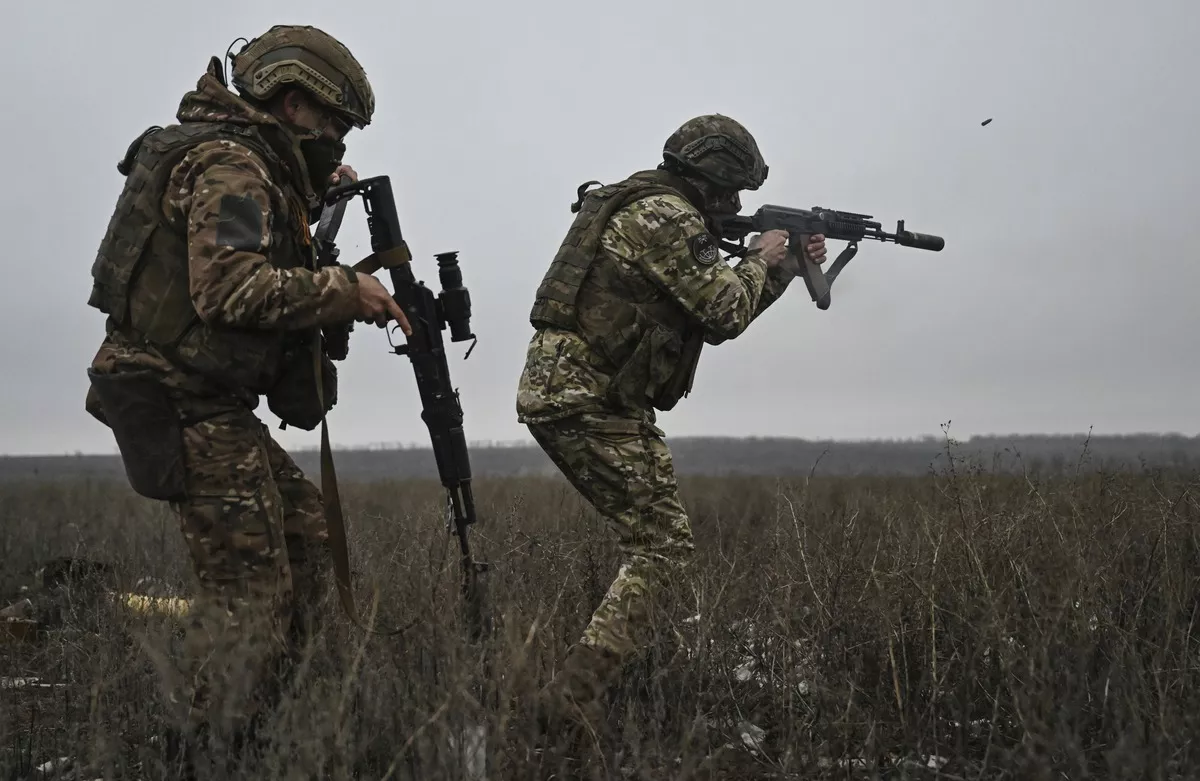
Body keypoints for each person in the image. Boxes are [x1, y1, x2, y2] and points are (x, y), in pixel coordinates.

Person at [82, 24, 408, 774]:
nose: (337, 139)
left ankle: (259, 732)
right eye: (332, 126)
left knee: (308, 544)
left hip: (205, 399)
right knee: (251, 598)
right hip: (177, 399)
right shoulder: (232, 167)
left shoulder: (251, 163)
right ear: (293, 105)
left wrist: (307, 197)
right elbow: (229, 286)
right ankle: (204, 753)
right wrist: (344, 291)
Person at [515, 113, 827, 748]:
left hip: (580, 394)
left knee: (655, 545)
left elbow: (711, 318)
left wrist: (785, 268)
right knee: (661, 549)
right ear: (709, 181)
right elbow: (725, 309)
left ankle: (585, 692)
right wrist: (766, 256)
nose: (736, 205)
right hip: (589, 398)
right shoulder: (666, 216)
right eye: (731, 192)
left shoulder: (651, 205)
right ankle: (566, 702)